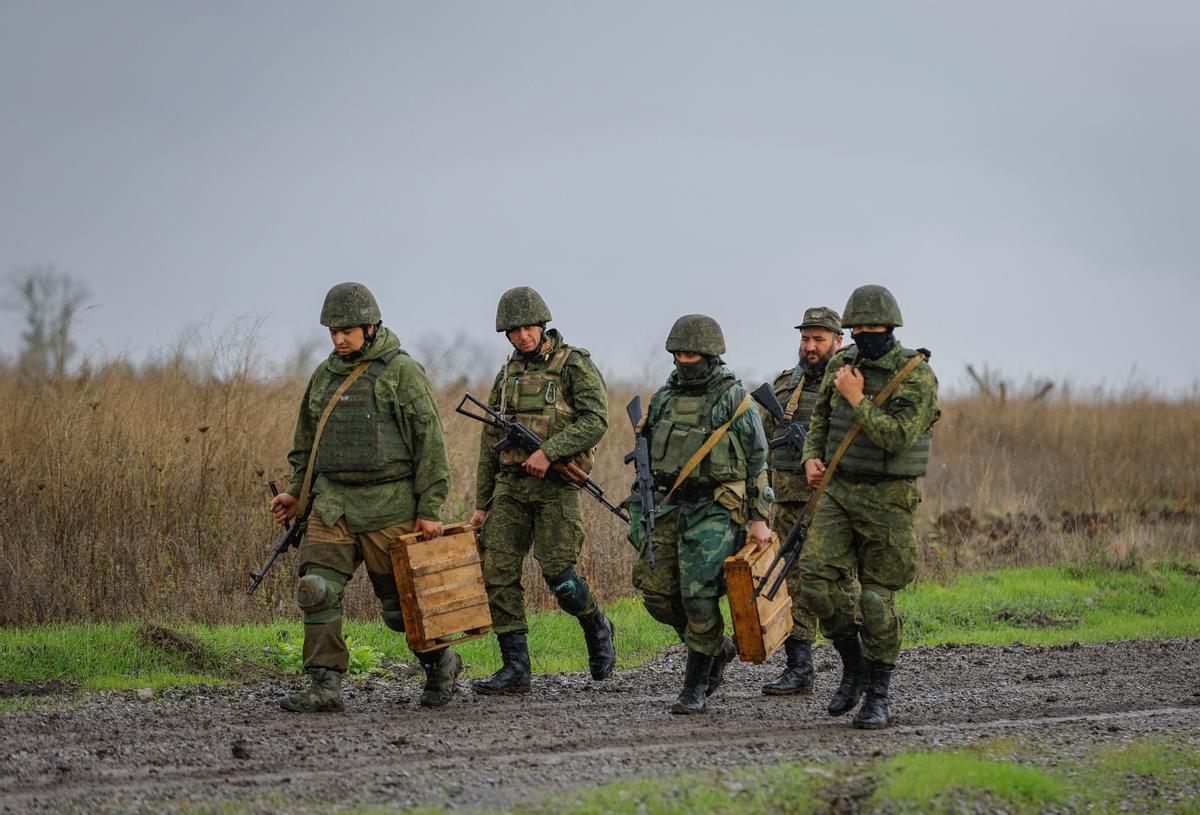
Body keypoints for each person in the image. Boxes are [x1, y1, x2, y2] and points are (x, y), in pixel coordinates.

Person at [270, 282, 457, 711]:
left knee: (402, 611)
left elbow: (430, 445)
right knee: (315, 588)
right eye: (333, 331)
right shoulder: (324, 375)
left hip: (390, 504)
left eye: (347, 331)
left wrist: (430, 509)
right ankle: (324, 685)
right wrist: (296, 493)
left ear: (370, 327)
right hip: (333, 504)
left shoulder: (401, 372)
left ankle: (441, 662)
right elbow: (306, 443)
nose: (338, 339)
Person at [796, 284, 940, 729]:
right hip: (838, 493)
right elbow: (820, 419)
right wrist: (810, 458)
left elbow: (897, 436)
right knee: (814, 582)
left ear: (890, 329)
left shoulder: (916, 376)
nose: (865, 336)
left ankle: (879, 692)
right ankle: (853, 664)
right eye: (857, 330)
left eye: (873, 330)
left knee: (877, 601)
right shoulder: (843, 363)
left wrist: (858, 399)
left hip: (888, 500)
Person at [470, 286, 615, 694]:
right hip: (510, 488)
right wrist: (482, 504)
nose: (522, 336)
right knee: (497, 571)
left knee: (559, 577)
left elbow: (595, 420)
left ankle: (597, 625)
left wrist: (549, 452)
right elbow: (489, 442)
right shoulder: (507, 375)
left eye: (528, 327)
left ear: (543, 324)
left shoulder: (574, 365)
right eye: (514, 331)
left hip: (555, 488)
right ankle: (515, 667)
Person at [628, 314, 773, 714]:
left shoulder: (734, 398)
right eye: (678, 353)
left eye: (691, 353)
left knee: (699, 598)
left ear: (710, 355)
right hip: (670, 503)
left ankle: (694, 687)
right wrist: (640, 507)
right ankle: (716, 648)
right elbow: (645, 458)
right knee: (657, 593)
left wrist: (759, 516)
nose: (683, 359)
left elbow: (759, 461)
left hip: (715, 506)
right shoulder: (662, 398)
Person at [758, 306, 859, 696]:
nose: (810, 347)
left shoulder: (851, 386)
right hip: (786, 504)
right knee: (791, 583)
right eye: (805, 339)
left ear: (838, 341)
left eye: (819, 339)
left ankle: (857, 663)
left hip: (834, 503)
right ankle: (799, 668)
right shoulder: (784, 387)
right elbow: (762, 442)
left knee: (839, 583)